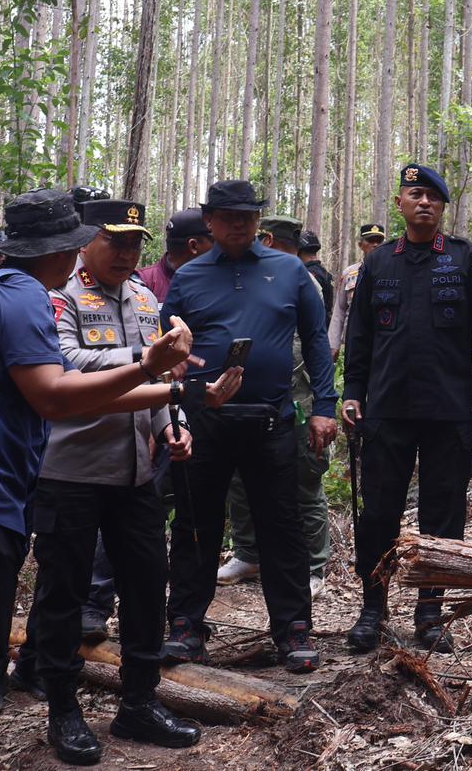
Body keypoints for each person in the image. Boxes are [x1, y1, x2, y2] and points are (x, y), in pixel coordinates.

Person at [0, 189, 196, 771]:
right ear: (62, 251)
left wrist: (171, 391)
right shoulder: (22, 293)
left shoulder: (3, 289)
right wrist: (148, 366)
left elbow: (60, 395)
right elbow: (54, 396)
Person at [14, 198, 241, 765]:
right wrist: (144, 355)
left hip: (136, 472)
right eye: (115, 240)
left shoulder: (145, 298)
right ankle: (63, 708)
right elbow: (64, 364)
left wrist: (171, 426)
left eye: (136, 242)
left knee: (145, 585)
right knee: (64, 593)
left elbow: (156, 381)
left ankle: (139, 701)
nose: (127, 253)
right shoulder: (58, 296)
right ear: (86, 240)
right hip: (70, 470)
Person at [161, 180, 338, 673]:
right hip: (204, 421)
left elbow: (316, 341)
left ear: (259, 221)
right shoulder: (189, 276)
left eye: (247, 215)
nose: (238, 223)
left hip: (271, 420)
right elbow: (166, 344)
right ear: (210, 221)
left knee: (281, 525)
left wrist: (324, 406)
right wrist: (174, 386)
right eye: (227, 216)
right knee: (195, 525)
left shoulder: (290, 271)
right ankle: (186, 628)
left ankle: (293, 630)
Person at [341, 164, 472, 653]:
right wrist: (352, 391)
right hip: (387, 409)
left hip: (448, 410)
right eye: (415, 194)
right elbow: (360, 336)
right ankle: (372, 610)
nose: (424, 203)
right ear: (400, 203)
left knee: (444, 513)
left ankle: (431, 614)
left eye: (433, 197)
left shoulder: (466, 258)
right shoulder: (378, 264)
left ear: (441, 207)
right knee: (379, 513)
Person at [217, 216, 332, 598]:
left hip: (296, 400)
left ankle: (314, 566)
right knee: (238, 479)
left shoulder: (304, 282)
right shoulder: (241, 276)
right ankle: (248, 553)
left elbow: (314, 346)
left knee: (305, 480)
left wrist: (323, 405)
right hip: (244, 397)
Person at [328, 223, 386, 361]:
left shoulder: (392, 271)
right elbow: (340, 309)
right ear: (360, 245)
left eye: (379, 241)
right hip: (355, 340)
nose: (375, 245)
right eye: (370, 241)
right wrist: (333, 344)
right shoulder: (350, 273)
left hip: (384, 340)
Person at [137, 208, 215, 303]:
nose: (219, 248)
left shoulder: (220, 279)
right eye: (214, 241)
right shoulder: (142, 283)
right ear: (193, 246)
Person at [298, 230, 334, 327]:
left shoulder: (306, 275)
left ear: (299, 251)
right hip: (324, 326)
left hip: (312, 327)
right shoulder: (325, 273)